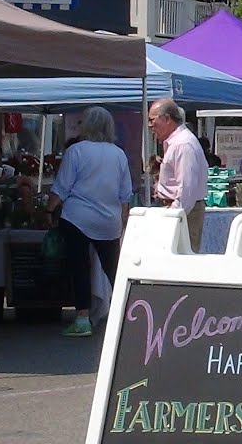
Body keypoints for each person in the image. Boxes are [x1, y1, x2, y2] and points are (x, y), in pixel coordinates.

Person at [44, 107, 132, 338]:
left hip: (77, 217)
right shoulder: (119, 154)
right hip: (109, 220)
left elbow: (62, 187)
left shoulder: (76, 151)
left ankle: (82, 318)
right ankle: (132, 311)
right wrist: (122, 218)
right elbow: (125, 194)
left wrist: (49, 209)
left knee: (79, 268)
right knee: (113, 268)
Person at [149, 98, 208, 252]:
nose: (150, 125)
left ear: (167, 119)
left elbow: (186, 191)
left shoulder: (182, 144)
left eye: (152, 120)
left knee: (181, 262)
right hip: (180, 210)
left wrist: (172, 218)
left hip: (183, 213)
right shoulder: (177, 142)